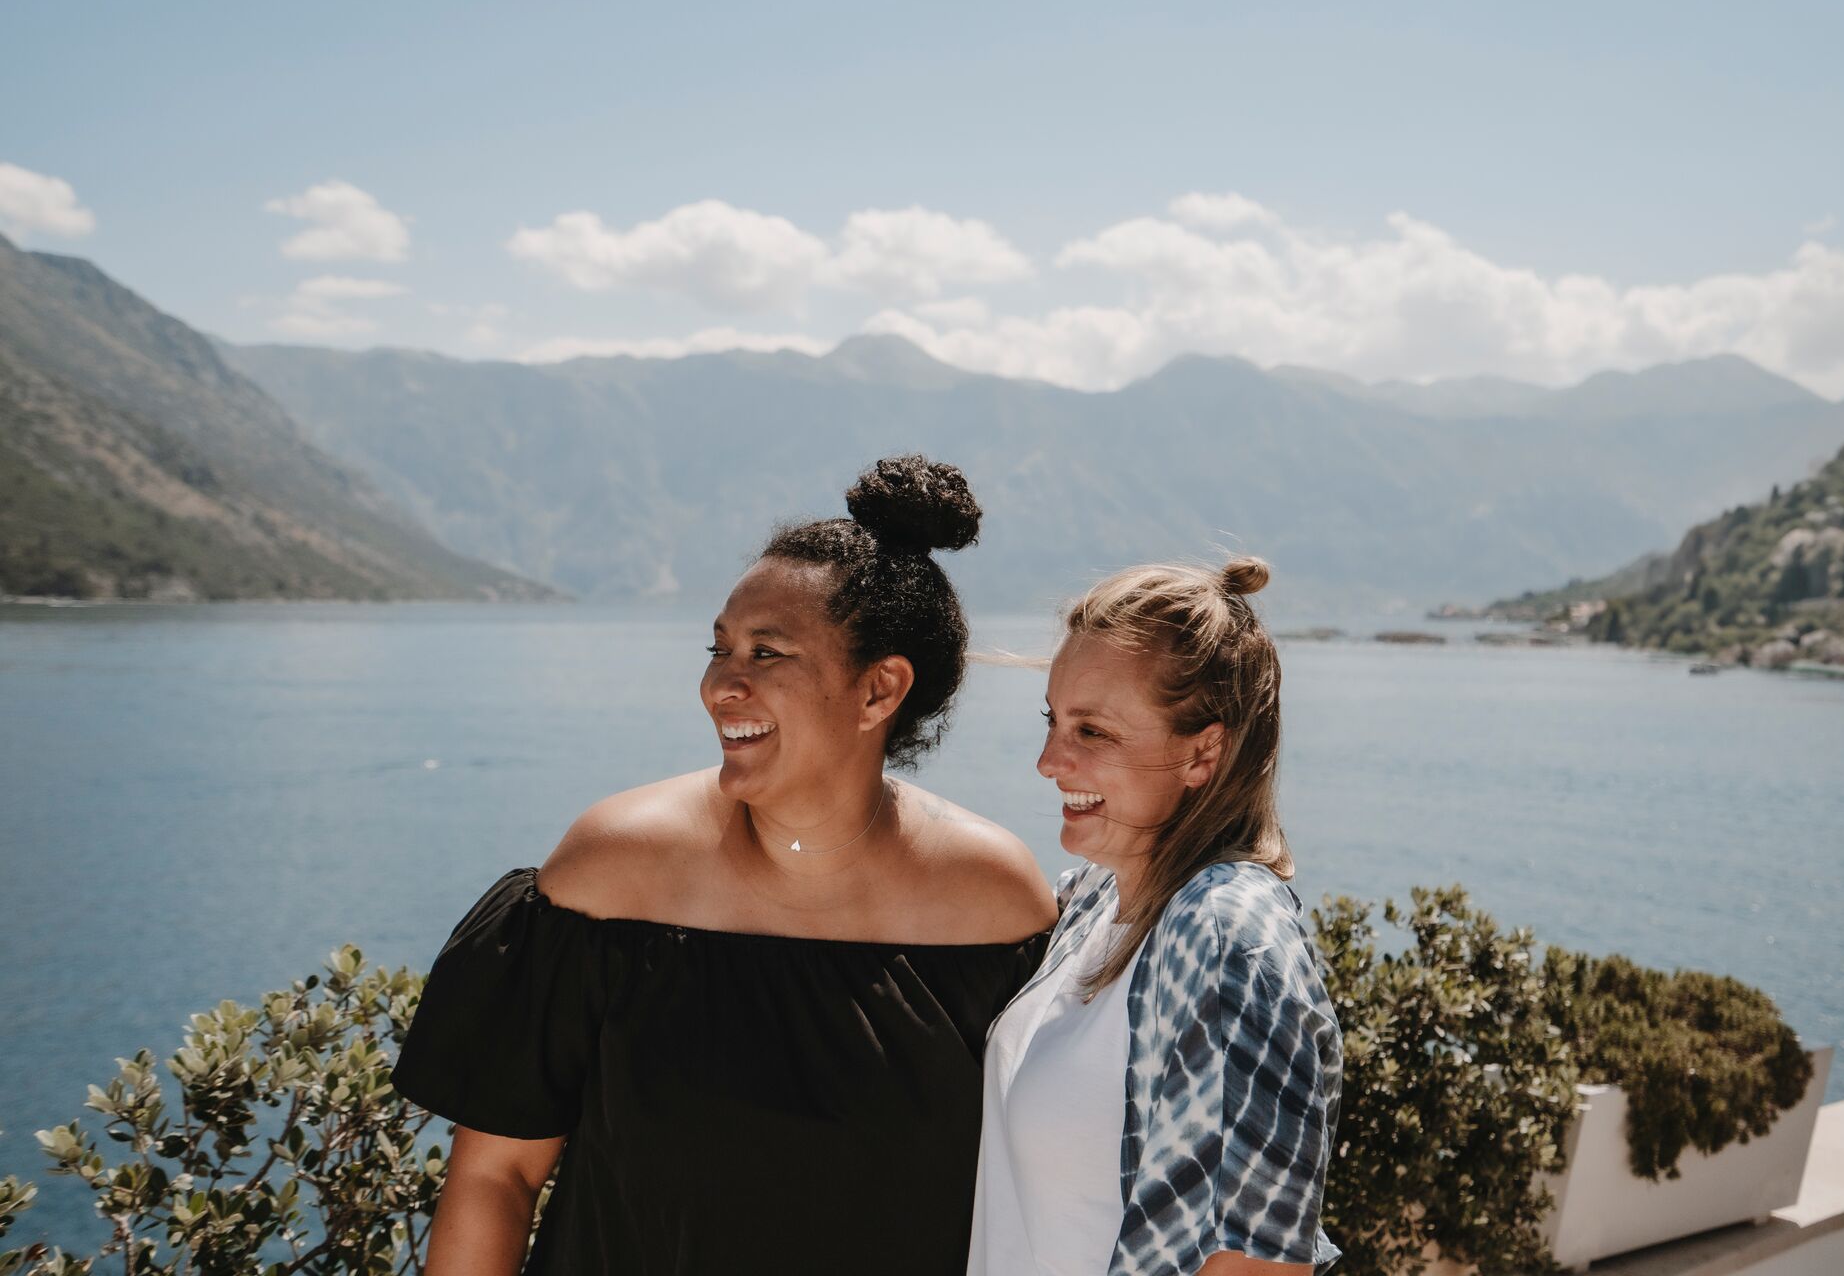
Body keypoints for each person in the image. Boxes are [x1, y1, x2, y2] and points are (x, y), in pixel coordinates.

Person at [392, 455, 1058, 1276]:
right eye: (719, 649)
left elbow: (1042, 1199)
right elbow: (496, 1176)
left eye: (767, 654)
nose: (720, 687)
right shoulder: (611, 871)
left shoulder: (992, 901)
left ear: (880, 690)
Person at [969, 557, 1343, 1276]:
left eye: (1093, 733)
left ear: (1203, 752)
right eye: (1053, 721)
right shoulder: (1094, 905)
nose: (1049, 760)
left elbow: (1256, 1263)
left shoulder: (1232, 941)